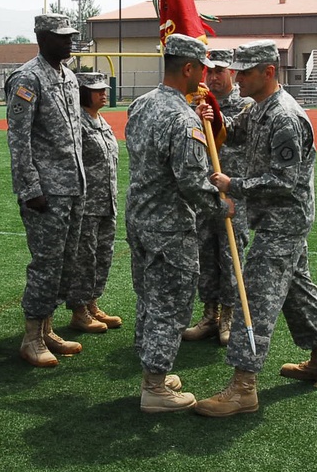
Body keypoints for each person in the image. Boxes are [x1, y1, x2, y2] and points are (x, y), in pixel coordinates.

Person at [194, 40, 317, 418]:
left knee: (255, 298)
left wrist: (235, 185)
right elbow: (234, 134)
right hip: (275, 218)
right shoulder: (259, 109)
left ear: (269, 72)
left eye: (244, 72)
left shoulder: (285, 117)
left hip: (284, 220)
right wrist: (212, 118)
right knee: (297, 288)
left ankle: (243, 386)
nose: (237, 78)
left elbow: (284, 181)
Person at [125, 34, 233, 413]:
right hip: (169, 225)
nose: (204, 75)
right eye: (201, 68)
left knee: (149, 297)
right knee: (170, 301)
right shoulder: (180, 117)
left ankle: (152, 371)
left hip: (140, 217)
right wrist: (222, 208)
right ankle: (155, 386)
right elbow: (191, 181)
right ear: (187, 68)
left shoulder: (141, 105)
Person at [5, 13, 87, 367]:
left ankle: (48, 327)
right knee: (46, 264)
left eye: (71, 36)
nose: (69, 42)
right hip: (46, 192)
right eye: (61, 37)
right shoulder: (28, 78)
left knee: (67, 263)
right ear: (41, 37)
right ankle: (31, 337)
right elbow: (18, 139)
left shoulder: (68, 77)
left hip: (72, 186)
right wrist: (30, 187)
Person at [182, 48, 254, 346]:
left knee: (230, 253)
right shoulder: (195, 103)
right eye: (209, 71)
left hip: (232, 191)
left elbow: (240, 133)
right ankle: (209, 313)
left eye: (219, 71)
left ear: (232, 74)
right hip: (205, 190)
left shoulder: (245, 104)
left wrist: (216, 114)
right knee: (206, 253)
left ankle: (229, 314)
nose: (213, 77)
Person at [65, 72, 121, 334]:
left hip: (106, 203)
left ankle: (93, 303)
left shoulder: (101, 121)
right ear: (82, 92)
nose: (103, 93)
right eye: (96, 89)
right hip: (86, 205)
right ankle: (79, 310)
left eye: (104, 88)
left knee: (102, 257)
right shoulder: (77, 123)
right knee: (83, 259)